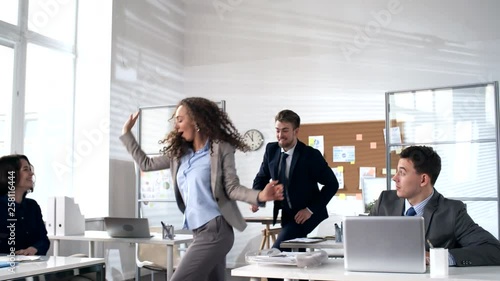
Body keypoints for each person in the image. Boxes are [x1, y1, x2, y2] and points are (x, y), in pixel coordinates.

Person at [120, 97, 284, 281]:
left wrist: (260, 195)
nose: (176, 126)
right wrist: (127, 133)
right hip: (198, 231)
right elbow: (146, 164)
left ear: (196, 120)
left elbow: (232, 187)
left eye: (180, 120)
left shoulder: (220, 149)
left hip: (216, 230)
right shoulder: (179, 154)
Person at [370, 145, 500, 266]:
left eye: (402, 173)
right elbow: (362, 237)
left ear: (423, 180)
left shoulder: (452, 212)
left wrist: (437, 257)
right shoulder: (385, 201)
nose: (394, 178)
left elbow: (494, 250)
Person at [251, 109, 339, 251]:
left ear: (296, 131)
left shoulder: (310, 155)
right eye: (277, 130)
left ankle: (270, 274)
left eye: (285, 130)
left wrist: (310, 210)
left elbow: (332, 184)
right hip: (286, 213)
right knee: (294, 253)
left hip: (307, 214)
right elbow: (261, 177)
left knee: (279, 250)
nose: (280, 135)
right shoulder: (271, 150)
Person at [0, 154, 50, 256]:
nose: (31, 173)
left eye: (30, 169)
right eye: (26, 169)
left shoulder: (33, 206)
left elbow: (44, 240)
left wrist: (34, 249)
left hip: (33, 267)